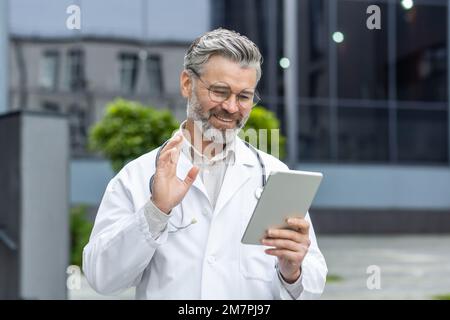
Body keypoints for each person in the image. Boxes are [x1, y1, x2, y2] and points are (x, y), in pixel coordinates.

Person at [83, 28, 327, 300]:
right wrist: (156, 211)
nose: (232, 107)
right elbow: (101, 277)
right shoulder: (137, 176)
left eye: (244, 96)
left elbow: (313, 285)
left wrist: (293, 271)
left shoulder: (274, 175)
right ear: (187, 83)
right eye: (220, 91)